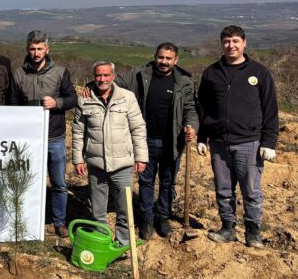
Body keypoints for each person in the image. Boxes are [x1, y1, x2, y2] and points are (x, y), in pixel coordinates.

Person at [196, 25, 278, 248]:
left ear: (244, 43)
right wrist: (202, 138)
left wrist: (269, 142)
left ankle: (253, 232)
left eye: (235, 41)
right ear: (221, 44)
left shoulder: (259, 72)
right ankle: (228, 228)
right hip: (219, 143)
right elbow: (203, 108)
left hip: (249, 142)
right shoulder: (211, 73)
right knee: (223, 189)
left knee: (251, 191)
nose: (230, 46)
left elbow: (270, 109)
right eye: (226, 41)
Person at [112, 43, 198, 239]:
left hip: (172, 141)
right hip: (145, 140)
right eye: (161, 57)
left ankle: (163, 217)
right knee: (146, 181)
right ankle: (147, 219)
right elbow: (114, 80)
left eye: (168, 58)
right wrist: (92, 85)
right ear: (155, 57)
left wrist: (191, 125)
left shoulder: (184, 82)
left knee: (168, 182)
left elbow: (190, 109)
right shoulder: (140, 75)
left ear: (176, 60)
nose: (164, 62)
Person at [72, 61, 147, 247]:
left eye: (106, 75)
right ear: (93, 77)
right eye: (98, 75)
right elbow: (78, 131)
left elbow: (138, 128)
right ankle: (102, 243)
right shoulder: (84, 99)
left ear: (113, 76)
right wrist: (78, 158)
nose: (102, 79)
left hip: (122, 164)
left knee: (124, 209)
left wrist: (141, 157)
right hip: (96, 164)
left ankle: (122, 244)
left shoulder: (127, 97)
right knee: (98, 210)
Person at [11, 31, 77, 238]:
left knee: (59, 183)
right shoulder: (18, 74)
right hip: (28, 139)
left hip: (54, 138)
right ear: (27, 49)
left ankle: (59, 221)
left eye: (40, 49)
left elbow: (73, 99)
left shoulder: (60, 72)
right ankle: (25, 221)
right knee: (26, 181)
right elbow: (12, 104)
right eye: (32, 49)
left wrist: (57, 103)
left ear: (47, 49)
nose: (36, 53)